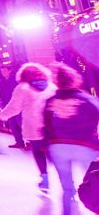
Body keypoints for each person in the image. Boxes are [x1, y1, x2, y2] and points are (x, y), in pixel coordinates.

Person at [44, 63, 99, 215]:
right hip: (85, 146)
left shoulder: (50, 101)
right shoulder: (87, 99)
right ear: (75, 80)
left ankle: (67, 212)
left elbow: (46, 125)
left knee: (67, 188)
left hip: (58, 147)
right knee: (95, 183)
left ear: (57, 83)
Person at [0, 63, 56, 194]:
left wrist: (2, 116)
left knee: (38, 150)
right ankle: (67, 182)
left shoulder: (23, 88)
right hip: (52, 126)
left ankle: (45, 179)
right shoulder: (51, 86)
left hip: (34, 125)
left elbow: (14, 107)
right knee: (54, 153)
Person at [0, 66, 24, 148]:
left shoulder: (16, 80)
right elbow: (0, 94)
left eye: (5, 70)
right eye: (2, 71)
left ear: (10, 70)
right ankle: (19, 142)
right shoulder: (1, 81)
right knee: (13, 125)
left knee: (21, 124)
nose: (3, 72)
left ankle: (29, 142)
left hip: (18, 105)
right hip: (7, 105)